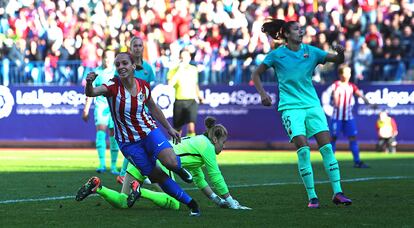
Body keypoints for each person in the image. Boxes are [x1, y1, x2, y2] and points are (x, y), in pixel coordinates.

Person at [82, 52, 200, 216]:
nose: (121, 67)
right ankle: (192, 204)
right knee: (157, 176)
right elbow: (91, 93)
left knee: (171, 162)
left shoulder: (143, 85)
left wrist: (169, 128)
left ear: (133, 66)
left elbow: (153, 107)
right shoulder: (112, 86)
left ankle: (178, 169)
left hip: (149, 132)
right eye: (118, 65)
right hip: (129, 144)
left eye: (125, 63)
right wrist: (89, 82)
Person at [251, 19, 352, 209]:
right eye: (296, 29)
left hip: (312, 105)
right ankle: (312, 197)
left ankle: (338, 193)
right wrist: (262, 94)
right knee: (304, 150)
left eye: (301, 28)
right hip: (290, 108)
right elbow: (256, 74)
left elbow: (337, 60)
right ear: (287, 34)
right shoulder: (276, 55)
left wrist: (341, 51)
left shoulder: (311, 51)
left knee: (327, 148)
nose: (301, 31)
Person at [76, 116, 250, 210]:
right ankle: (141, 191)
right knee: (174, 203)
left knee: (123, 201)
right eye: (223, 142)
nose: (224, 146)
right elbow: (215, 176)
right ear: (215, 138)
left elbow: (199, 179)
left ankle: (98, 188)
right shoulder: (207, 147)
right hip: (159, 163)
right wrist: (232, 201)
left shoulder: (199, 143)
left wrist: (217, 200)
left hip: (140, 158)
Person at [116, 36, 156, 185]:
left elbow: (149, 91)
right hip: (127, 112)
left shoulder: (148, 69)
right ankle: (126, 174)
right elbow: (116, 87)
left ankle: (135, 173)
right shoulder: (123, 66)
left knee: (142, 145)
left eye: (140, 45)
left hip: (143, 111)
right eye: (135, 46)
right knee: (132, 144)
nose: (138, 48)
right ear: (130, 48)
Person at [82, 48, 120, 174]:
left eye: (111, 57)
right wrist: (86, 110)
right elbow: (89, 92)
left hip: (114, 108)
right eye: (106, 57)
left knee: (114, 136)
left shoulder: (117, 72)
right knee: (100, 134)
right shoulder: (97, 72)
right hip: (101, 106)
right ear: (102, 58)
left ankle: (113, 166)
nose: (108, 59)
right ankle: (102, 163)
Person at [329, 64, 372, 168]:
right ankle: (330, 162)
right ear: (340, 74)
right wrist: (336, 99)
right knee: (333, 138)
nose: (349, 74)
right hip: (337, 117)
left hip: (348, 118)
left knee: (353, 138)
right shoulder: (336, 85)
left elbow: (360, 95)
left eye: (349, 72)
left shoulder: (352, 86)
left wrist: (369, 103)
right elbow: (335, 97)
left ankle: (357, 161)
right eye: (346, 72)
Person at [167, 48, 204, 137]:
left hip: (191, 101)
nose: (185, 59)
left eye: (187, 56)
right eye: (183, 57)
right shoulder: (173, 70)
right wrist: (180, 69)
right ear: (180, 58)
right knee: (177, 130)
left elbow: (195, 84)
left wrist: (199, 96)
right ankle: (176, 149)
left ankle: (190, 149)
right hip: (179, 101)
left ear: (190, 57)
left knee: (191, 128)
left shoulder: (194, 69)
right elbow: (170, 84)